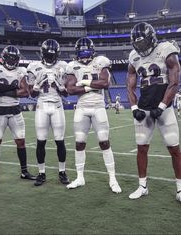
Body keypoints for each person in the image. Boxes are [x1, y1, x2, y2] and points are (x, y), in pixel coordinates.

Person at [127, 22, 181, 201]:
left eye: (144, 43)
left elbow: (174, 81)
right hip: (144, 108)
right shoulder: (133, 57)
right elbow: (130, 85)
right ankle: (142, 186)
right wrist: (134, 108)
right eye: (138, 44)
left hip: (164, 109)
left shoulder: (166, 49)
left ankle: (180, 189)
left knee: (174, 148)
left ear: (152, 38)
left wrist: (163, 106)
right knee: (141, 148)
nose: (141, 47)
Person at [65, 37, 122, 193]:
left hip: (98, 107)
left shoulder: (101, 62)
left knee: (104, 142)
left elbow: (105, 83)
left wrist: (83, 83)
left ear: (92, 52)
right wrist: (90, 87)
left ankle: (113, 178)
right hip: (82, 108)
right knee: (79, 142)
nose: (84, 57)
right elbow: (70, 89)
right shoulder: (72, 66)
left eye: (86, 53)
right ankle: (80, 177)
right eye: (81, 54)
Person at [0, 45, 36, 186]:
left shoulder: (21, 71)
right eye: (10, 58)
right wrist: (14, 88)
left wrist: (2, 90)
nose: (12, 61)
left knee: (21, 141)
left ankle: (24, 171)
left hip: (15, 110)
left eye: (14, 59)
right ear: (4, 58)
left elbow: (25, 92)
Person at [27, 39, 69, 186]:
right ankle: (41, 173)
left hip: (57, 105)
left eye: (53, 55)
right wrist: (37, 85)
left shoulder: (63, 66)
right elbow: (31, 94)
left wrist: (60, 86)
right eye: (48, 54)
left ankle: (62, 172)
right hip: (42, 105)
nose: (51, 57)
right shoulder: (34, 66)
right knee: (41, 141)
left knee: (60, 141)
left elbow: (66, 94)